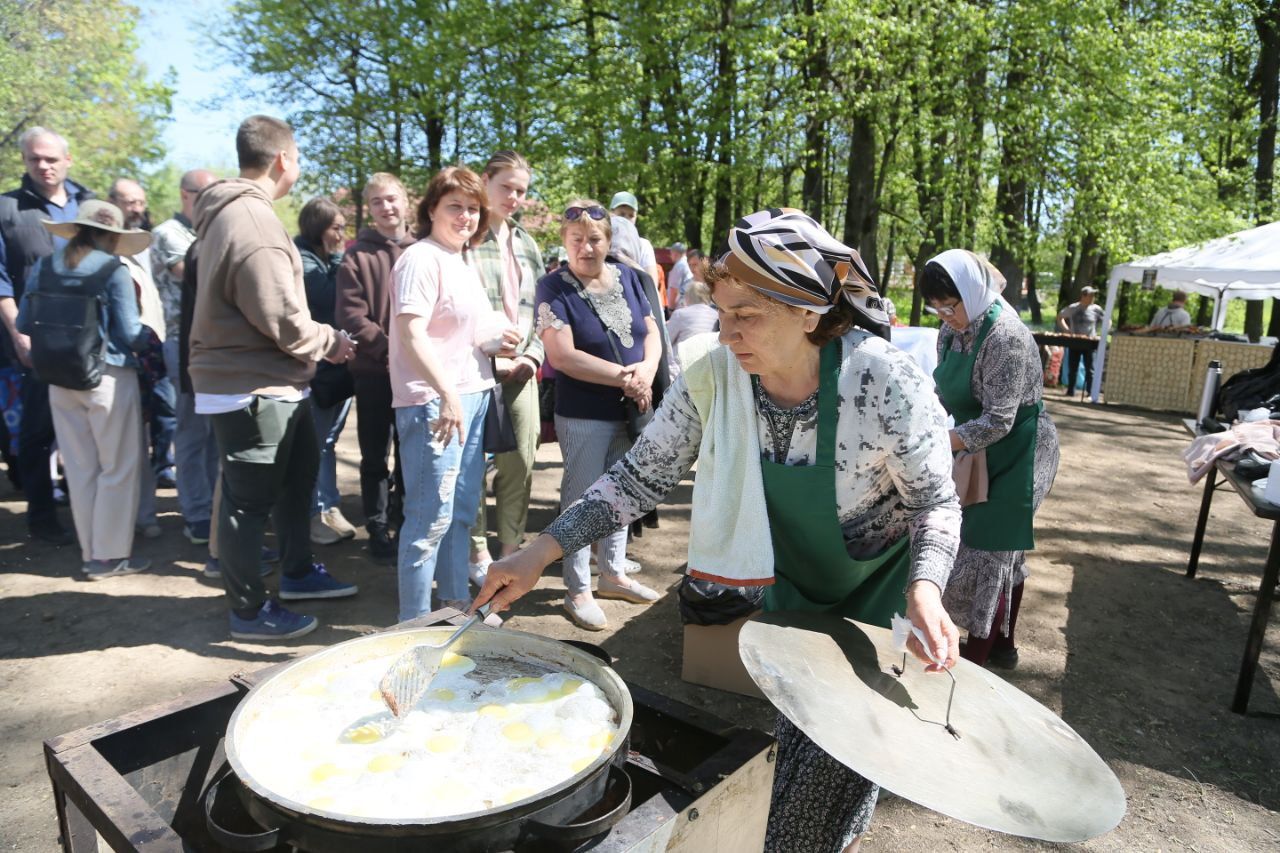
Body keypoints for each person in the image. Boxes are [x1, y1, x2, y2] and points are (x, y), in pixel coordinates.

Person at [477, 208, 961, 852]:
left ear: (810, 312)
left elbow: (936, 503)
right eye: (721, 311)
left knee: (834, 774)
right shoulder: (717, 374)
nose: (725, 331)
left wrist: (926, 589)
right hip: (791, 592)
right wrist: (541, 549)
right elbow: (637, 479)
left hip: (880, 596)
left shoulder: (880, 379)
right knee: (799, 738)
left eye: (747, 316)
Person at [190, 115, 358, 641]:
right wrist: (332, 342)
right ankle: (247, 611)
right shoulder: (254, 224)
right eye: (299, 157)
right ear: (284, 159)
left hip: (273, 384)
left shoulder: (235, 214)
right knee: (247, 504)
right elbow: (282, 319)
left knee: (296, 480)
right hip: (252, 388)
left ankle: (298, 571)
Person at [390, 165, 519, 622]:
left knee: (461, 512)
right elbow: (411, 333)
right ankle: (414, 622)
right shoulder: (420, 259)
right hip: (435, 403)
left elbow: (467, 330)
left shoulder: (459, 260)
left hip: (474, 396)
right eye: (454, 207)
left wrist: (497, 339)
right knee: (428, 519)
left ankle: (449, 607)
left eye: (471, 208)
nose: (465, 216)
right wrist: (445, 393)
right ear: (431, 210)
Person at [530, 200, 664, 630]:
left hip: (632, 409)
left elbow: (653, 333)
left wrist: (645, 373)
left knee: (622, 495)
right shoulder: (553, 287)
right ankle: (578, 587)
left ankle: (614, 573)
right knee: (582, 497)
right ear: (565, 243)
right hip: (584, 412)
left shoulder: (629, 276)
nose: (586, 248)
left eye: (594, 239)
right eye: (576, 240)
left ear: (609, 241)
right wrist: (629, 378)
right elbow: (564, 356)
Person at [923, 250, 1059, 669]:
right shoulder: (949, 332)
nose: (945, 315)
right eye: (936, 307)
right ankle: (1003, 645)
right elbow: (943, 390)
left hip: (1019, 449)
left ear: (972, 290)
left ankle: (976, 661)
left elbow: (999, 420)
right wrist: (924, 419)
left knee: (994, 547)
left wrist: (937, 441)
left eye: (951, 305)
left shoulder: (1007, 338)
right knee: (978, 544)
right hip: (973, 446)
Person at [16, 201, 152, 577]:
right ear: (112, 235)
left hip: (59, 379)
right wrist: (152, 337)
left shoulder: (44, 266)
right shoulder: (113, 269)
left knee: (79, 467)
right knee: (118, 468)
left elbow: (25, 323)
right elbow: (129, 333)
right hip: (107, 375)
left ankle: (92, 551)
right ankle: (108, 557)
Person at [0, 127, 95, 545]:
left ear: (68, 159)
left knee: (88, 431)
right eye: (35, 158)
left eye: (51, 158)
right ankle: (42, 519)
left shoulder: (89, 204)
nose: (44, 165)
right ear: (25, 161)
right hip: (35, 341)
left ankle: (90, 516)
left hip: (88, 341)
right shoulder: (8, 209)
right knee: (38, 432)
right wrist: (19, 335)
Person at [466, 152, 545, 581]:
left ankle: (509, 551)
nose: (514, 197)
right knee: (472, 467)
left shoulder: (527, 243)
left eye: (521, 190)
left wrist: (532, 356)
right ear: (486, 181)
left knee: (520, 463)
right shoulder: (465, 238)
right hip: (474, 371)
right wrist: (488, 357)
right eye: (507, 187)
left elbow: (540, 310)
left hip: (523, 370)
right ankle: (477, 555)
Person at [336, 173, 417, 560]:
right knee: (373, 455)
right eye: (377, 202)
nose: (386, 207)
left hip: (417, 374)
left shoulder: (423, 250)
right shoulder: (357, 255)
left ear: (406, 202)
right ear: (369, 209)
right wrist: (391, 351)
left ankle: (404, 522)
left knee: (410, 454)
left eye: (392, 199)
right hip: (373, 373)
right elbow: (352, 315)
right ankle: (377, 526)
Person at [152, 169, 218, 543]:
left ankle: (210, 509)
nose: (212, 201)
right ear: (185, 195)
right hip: (183, 344)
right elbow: (192, 272)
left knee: (213, 435)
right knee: (192, 433)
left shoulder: (206, 233)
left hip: (211, 345)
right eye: (205, 194)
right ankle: (195, 513)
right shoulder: (167, 233)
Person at [294, 196, 357, 546]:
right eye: (337, 228)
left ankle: (328, 506)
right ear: (319, 228)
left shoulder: (320, 258)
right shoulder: (305, 262)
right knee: (315, 444)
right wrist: (338, 257)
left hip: (334, 368)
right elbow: (333, 297)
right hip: (315, 370)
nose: (342, 234)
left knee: (328, 442)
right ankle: (312, 515)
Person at [1056, 285, 1104, 397]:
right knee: (1073, 367)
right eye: (1090, 295)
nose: (1093, 297)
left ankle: (1090, 392)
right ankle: (1070, 391)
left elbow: (1108, 320)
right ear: (1083, 296)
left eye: (1093, 295)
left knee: (1090, 368)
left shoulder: (1097, 309)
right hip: (1075, 341)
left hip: (1090, 342)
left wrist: (1102, 332)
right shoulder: (1073, 308)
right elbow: (1060, 317)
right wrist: (1066, 330)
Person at [609, 191, 660, 285]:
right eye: (622, 214)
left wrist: (623, 259)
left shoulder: (643, 245)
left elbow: (652, 284)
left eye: (631, 215)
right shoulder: (602, 241)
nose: (626, 219)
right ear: (611, 213)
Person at [665, 241, 690, 313]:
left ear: (675, 254)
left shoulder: (679, 266)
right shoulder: (687, 264)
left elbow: (674, 290)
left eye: (671, 253)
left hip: (680, 306)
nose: (670, 256)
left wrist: (671, 309)